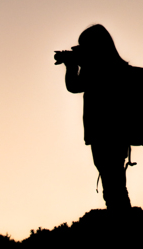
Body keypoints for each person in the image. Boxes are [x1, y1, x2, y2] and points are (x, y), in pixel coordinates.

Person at [55, 25, 134, 211]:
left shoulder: (98, 68)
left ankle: (127, 228)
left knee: (113, 190)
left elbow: (74, 86)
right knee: (117, 186)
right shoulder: (118, 67)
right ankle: (127, 224)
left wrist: (71, 66)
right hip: (119, 134)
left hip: (102, 134)